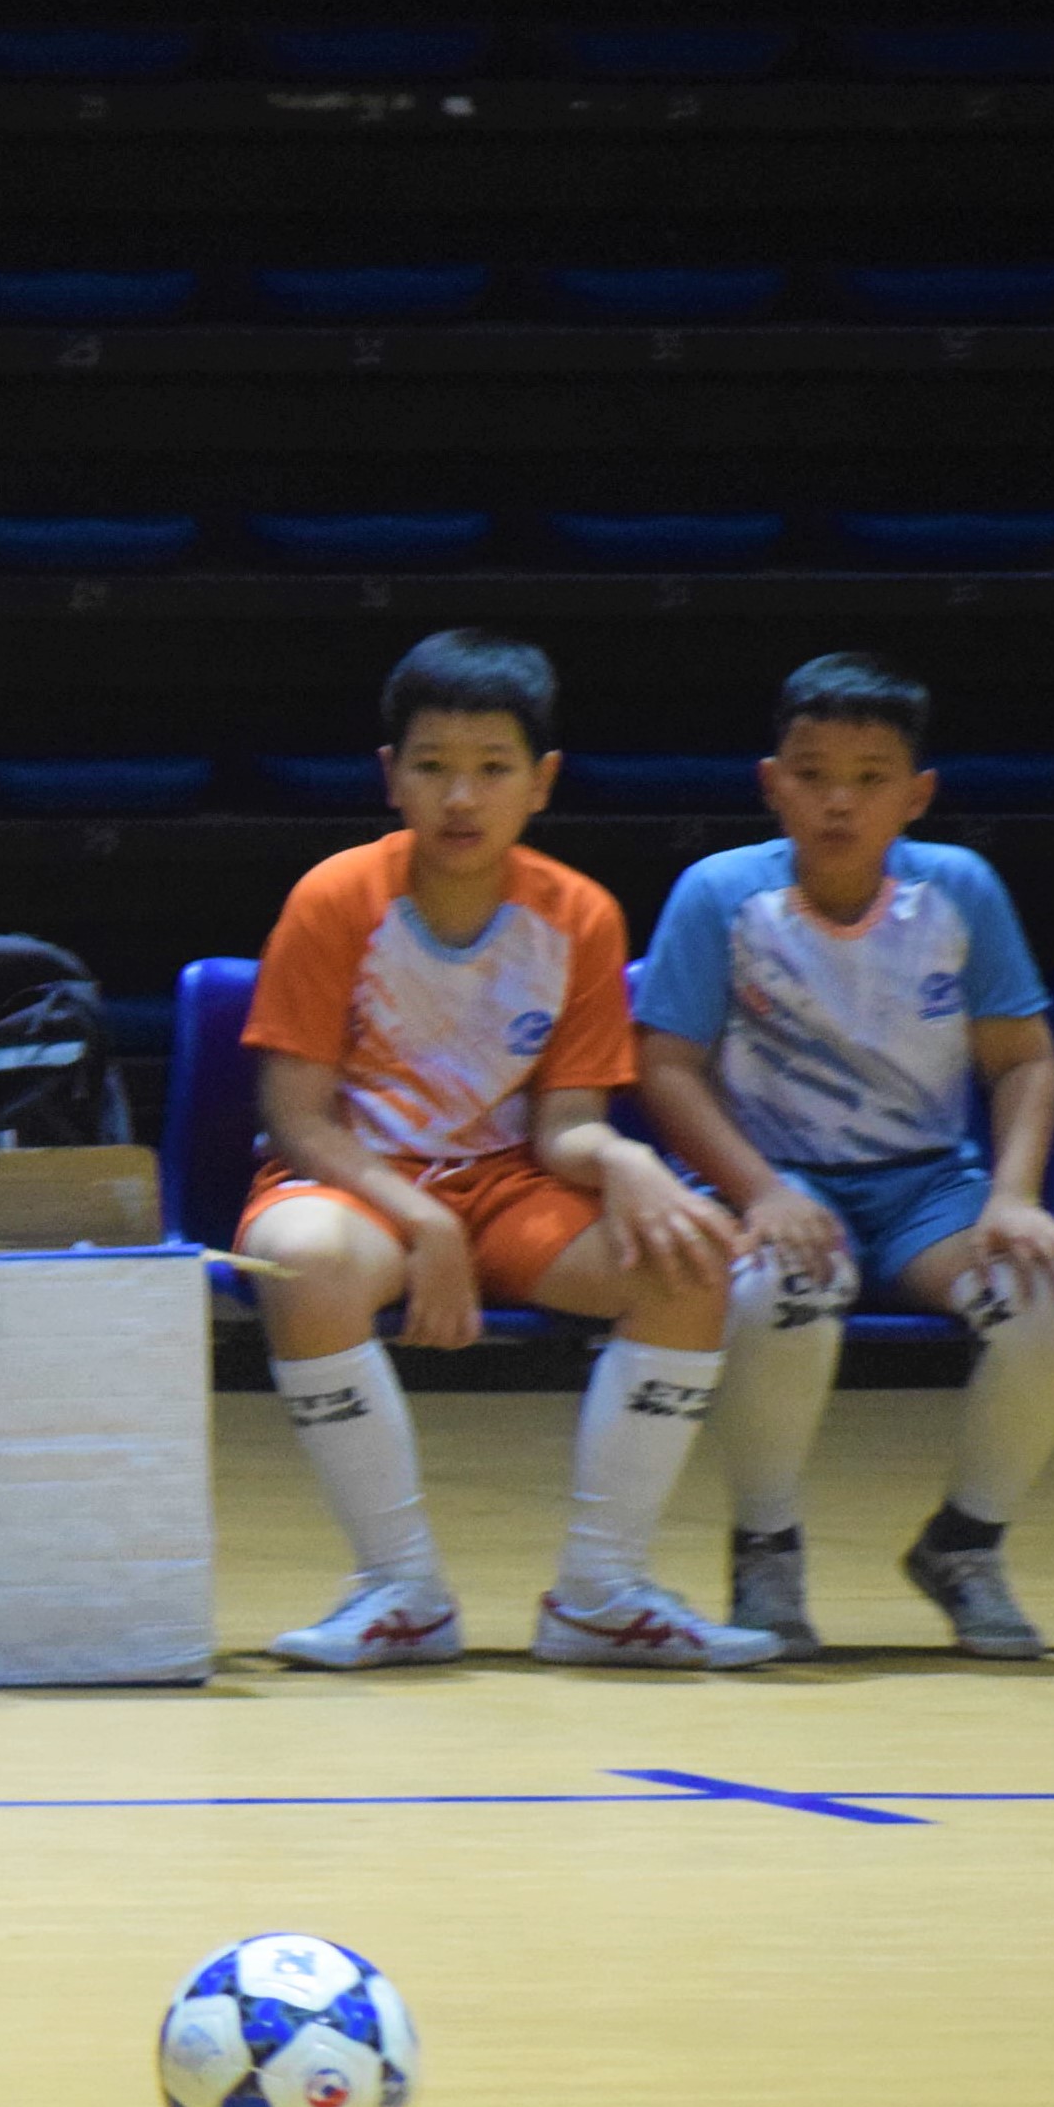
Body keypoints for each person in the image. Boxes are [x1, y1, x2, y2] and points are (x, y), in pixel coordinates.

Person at [238, 629, 770, 1670]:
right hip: (358, 1186)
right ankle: (400, 1589)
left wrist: (628, 1162)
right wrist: (424, 1217)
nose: (461, 798)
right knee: (298, 1258)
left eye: (493, 771)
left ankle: (600, 1594)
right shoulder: (334, 898)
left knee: (691, 1260)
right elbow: (297, 1118)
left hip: (513, 1188)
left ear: (543, 783)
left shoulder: (580, 916)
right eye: (433, 768)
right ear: (392, 778)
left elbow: (567, 1128)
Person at [635, 653, 1054, 1657]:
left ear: (916, 794)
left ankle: (965, 1544)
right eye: (812, 772)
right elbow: (666, 1067)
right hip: (781, 1180)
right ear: (771, 783)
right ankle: (767, 1547)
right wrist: (754, 1192)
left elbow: (1022, 1060)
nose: (839, 800)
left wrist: (1014, 1197)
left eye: (870, 777)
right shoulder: (719, 895)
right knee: (777, 1290)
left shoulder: (960, 890)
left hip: (928, 1188)